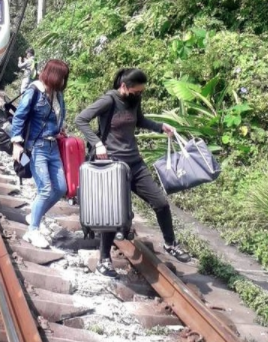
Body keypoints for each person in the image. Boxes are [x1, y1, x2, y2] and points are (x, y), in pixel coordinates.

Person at [74, 67, 190, 276]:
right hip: (113, 166)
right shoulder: (108, 101)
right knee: (113, 213)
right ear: (124, 86)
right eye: (137, 91)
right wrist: (98, 144)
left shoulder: (134, 100)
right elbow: (81, 119)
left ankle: (170, 243)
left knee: (160, 203)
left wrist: (160, 127)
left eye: (142, 91)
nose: (140, 94)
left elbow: (140, 120)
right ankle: (104, 260)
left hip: (134, 163)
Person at [11, 59, 69, 249]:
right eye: (61, 77)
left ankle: (34, 215)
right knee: (45, 189)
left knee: (60, 187)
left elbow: (57, 116)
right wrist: (17, 144)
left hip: (53, 146)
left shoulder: (57, 94)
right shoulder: (35, 91)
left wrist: (60, 129)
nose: (63, 82)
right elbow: (19, 116)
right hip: (37, 147)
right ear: (53, 76)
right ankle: (32, 230)